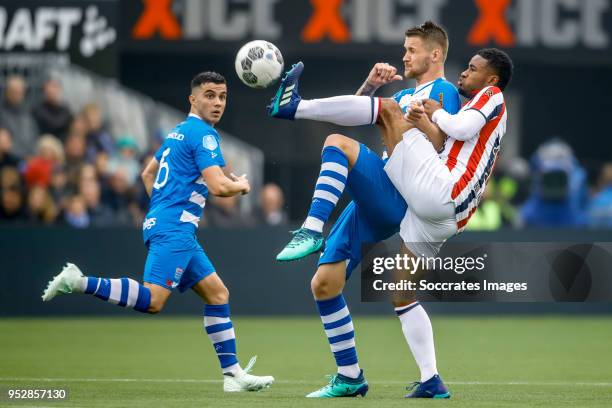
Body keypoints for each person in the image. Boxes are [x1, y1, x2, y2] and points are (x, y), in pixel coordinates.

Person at [42, 71, 274, 392]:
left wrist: (162, 210)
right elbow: (219, 187)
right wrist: (242, 186)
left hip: (171, 227)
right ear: (192, 99)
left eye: (222, 96)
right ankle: (78, 281)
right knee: (153, 300)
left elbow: (147, 173)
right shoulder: (203, 135)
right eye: (210, 95)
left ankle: (232, 375)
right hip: (174, 230)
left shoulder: (176, 132)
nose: (217, 103)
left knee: (218, 294)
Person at [267, 21, 460, 398]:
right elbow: (358, 114)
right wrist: (370, 88)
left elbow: (445, 145)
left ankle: (310, 225)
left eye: (412, 49)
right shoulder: (406, 94)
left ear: (435, 55)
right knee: (324, 285)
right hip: (379, 192)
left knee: (336, 142)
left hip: (402, 193)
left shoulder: (443, 91)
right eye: (404, 49)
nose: (404, 56)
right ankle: (353, 376)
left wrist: (416, 118)